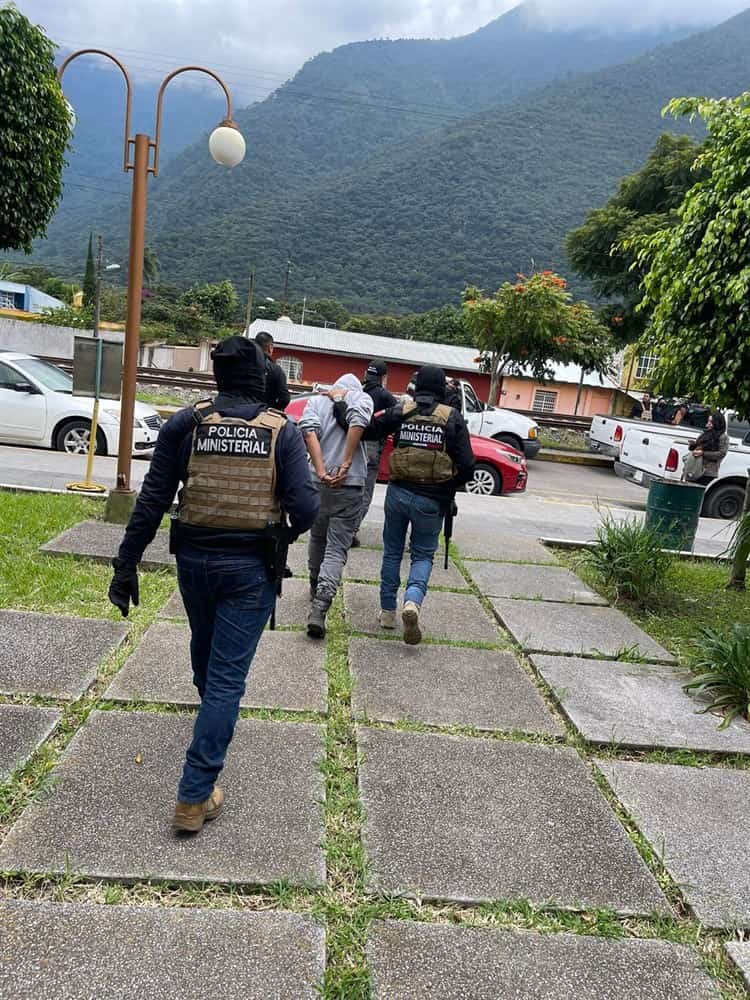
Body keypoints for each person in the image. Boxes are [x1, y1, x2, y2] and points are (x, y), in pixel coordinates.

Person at [107, 337, 318, 833]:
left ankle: (208, 732)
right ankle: (195, 794)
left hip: (194, 564)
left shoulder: (187, 423)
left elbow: (152, 500)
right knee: (225, 679)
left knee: (204, 655)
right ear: (263, 378)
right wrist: (277, 535)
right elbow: (307, 508)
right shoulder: (280, 432)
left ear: (218, 376)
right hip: (249, 570)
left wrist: (125, 566)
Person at [370, 365, 474, 645]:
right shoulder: (452, 417)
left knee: (392, 552)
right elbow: (467, 465)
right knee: (423, 555)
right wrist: (448, 489)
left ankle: (388, 613)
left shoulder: (402, 410)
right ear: (441, 389)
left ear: (416, 386)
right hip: (432, 498)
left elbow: (371, 428)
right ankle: (412, 602)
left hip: (398, 492)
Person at [299, 374, 373, 638]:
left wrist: (321, 471)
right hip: (350, 484)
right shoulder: (362, 398)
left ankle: (313, 584)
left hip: (315, 483)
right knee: (336, 548)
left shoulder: (316, 402)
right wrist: (345, 464)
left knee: (317, 537)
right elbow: (358, 423)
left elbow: (309, 432)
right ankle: (321, 605)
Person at [351, 360, 397, 548]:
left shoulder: (356, 391)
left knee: (348, 488)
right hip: (370, 448)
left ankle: (339, 527)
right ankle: (350, 531)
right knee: (364, 492)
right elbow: (397, 417)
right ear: (383, 377)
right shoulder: (385, 396)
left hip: (350, 443)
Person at [684, 410, 729, 485]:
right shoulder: (705, 433)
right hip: (695, 467)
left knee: (698, 492)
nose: (708, 424)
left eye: (711, 422)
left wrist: (703, 453)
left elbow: (721, 453)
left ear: (717, 423)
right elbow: (698, 447)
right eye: (708, 421)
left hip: (708, 472)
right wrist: (693, 446)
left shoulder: (722, 436)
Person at [255, 331, 291, 410]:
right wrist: (273, 410)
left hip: (237, 413)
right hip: (264, 414)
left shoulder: (241, 364)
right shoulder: (276, 370)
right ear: (270, 348)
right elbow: (284, 399)